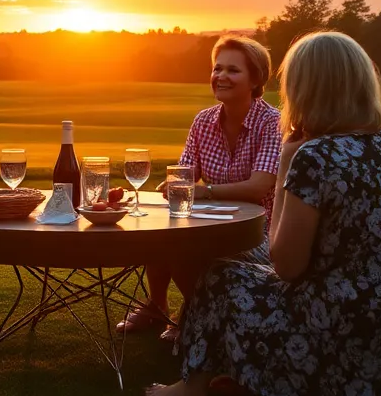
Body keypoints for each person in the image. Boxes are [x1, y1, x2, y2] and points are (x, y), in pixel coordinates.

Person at [146, 32, 381, 396]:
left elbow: (286, 266)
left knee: (221, 278)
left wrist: (289, 160)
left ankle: (191, 391)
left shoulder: (317, 157)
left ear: (304, 88)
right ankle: (235, 364)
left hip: (341, 338)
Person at [118, 35, 281, 340]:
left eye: (233, 70)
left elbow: (259, 187)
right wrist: (174, 185)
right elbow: (185, 176)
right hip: (213, 224)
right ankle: (158, 304)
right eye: (217, 69)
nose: (221, 76)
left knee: (186, 247)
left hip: (258, 233)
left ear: (255, 78)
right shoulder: (203, 121)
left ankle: (194, 315)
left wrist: (202, 191)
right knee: (162, 230)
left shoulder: (272, 123)